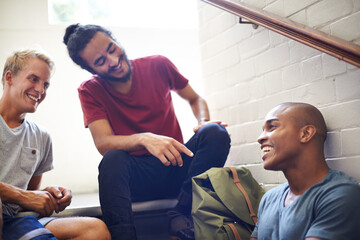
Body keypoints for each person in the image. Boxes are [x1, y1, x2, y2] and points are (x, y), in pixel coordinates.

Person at [63, 23, 231, 240]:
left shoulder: (158, 65)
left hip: (176, 167)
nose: (113, 61)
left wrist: (203, 121)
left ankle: (181, 217)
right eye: (100, 62)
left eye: (112, 49)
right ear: (91, 70)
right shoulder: (90, 90)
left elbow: (195, 98)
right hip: (137, 180)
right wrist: (144, 139)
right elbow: (103, 143)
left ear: (116, 41)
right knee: (113, 159)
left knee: (215, 131)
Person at [0, 49, 111, 240]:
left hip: (15, 220)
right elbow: (22, 196)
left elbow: (28, 197)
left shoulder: (41, 137)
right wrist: (22, 196)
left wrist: (47, 196)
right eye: (33, 79)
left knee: (96, 230)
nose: (40, 90)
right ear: (9, 77)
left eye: (46, 84)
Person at [252, 102, 360, 240]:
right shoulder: (269, 198)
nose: (260, 138)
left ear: (306, 133)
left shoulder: (341, 195)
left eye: (271, 127)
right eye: (263, 130)